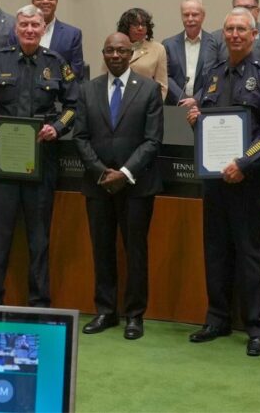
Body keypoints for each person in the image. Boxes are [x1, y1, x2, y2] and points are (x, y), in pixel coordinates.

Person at [185, 7, 260, 355]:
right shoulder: (212, 74)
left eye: (242, 29)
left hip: (250, 181)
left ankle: (257, 327)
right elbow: (207, 122)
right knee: (215, 250)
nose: (235, 34)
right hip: (215, 180)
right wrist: (196, 120)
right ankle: (217, 318)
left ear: (255, 35)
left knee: (249, 254)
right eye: (229, 29)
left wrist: (244, 162)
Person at [0, 4, 79, 307]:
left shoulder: (56, 63)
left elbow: (74, 105)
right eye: (24, 25)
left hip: (41, 161)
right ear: (16, 28)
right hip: (3, 163)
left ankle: (39, 305)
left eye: (35, 26)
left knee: (39, 239)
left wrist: (58, 127)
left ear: (43, 29)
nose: (29, 30)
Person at [74, 32, 163, 340]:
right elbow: (80, 137)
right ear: (103, 53)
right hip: (97, 185)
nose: (115, 55)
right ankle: (105, 311)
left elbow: (153, 141)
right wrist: (101, 173)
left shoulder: (149, 89)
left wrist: (124, 173)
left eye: (121, 51)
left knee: (135, 251)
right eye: (110, 50)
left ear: (131, 55)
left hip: (136, 186)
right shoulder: (87, 90)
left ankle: (134, 315)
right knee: (102, 250)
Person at [162, 0, 220, 107]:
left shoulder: (214, 43)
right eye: (186, 15)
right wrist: (183, 100)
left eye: (195, 14)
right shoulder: (168, 44)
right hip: (175, 106)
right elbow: (165, 76)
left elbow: (216, 76)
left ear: (203, 16)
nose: (190, 19)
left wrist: (196, 99)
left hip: (205, 105)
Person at [28, 0, 84, 78]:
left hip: (59, 91)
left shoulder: (72, 35)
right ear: (33, 2)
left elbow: (76, 73)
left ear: (56, 2)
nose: (45, 1)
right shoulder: (18, 33)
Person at [116, 8, 168, 100]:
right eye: (135, 24)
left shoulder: (158, 49)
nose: (140, 28)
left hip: (145, 103)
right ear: (126, 27)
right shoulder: (115, 46)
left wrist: (154, 106)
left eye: (143, 25)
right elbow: (106, 79)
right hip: (118, 100)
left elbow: (162, 86)